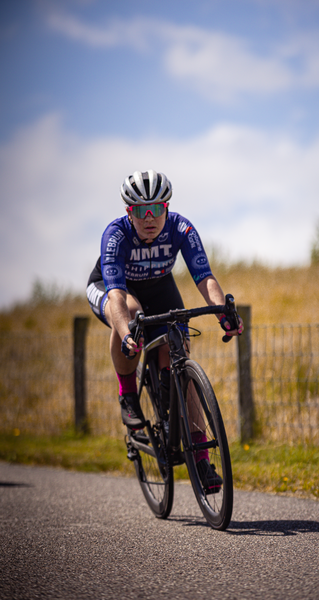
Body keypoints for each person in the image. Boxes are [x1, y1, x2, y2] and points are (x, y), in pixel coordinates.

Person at [87, 169, 243, 489]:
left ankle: (200, 459)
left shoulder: (180, 228)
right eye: (140, 211)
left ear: (166, 209)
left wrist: (222, 314)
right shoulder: (115, 235)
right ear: (128, 212)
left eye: (156, 209)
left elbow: (204, 277)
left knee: (178, 352)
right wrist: (127, 334)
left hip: (159, 287)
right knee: (131, 314)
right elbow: (117, 296)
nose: (149, 218)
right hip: (112, 289)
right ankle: (128, 395)